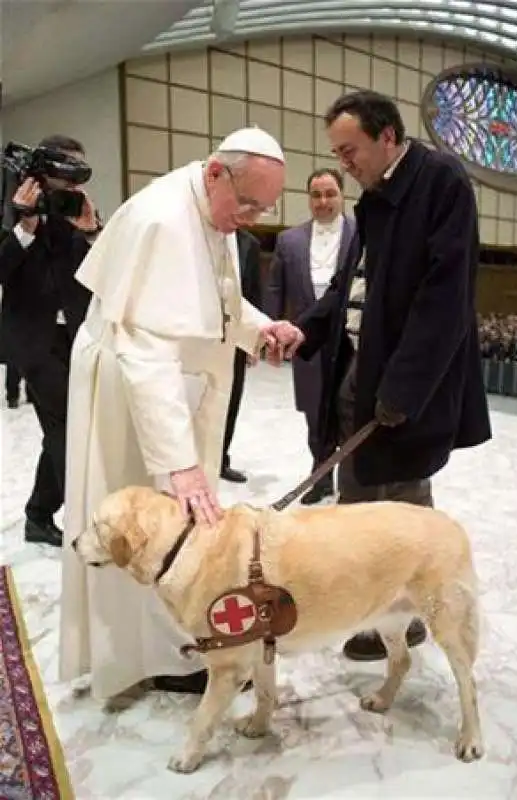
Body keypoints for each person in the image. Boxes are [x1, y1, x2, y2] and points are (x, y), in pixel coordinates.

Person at [59, 128, 303, 700]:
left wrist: (259, 328)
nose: (249, 217)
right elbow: (146, 352)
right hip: (133, 397)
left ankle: (169, 640)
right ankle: (139, 655)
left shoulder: (209, 211)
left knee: (174, 524)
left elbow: (215, 297)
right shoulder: (164, 220)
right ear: (216, 171)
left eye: (263, 209)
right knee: (142, 524)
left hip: (170, 391)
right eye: (246, 202)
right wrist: (179, 464)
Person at [279, 91, 491, 662]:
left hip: (405, 379)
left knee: (401, 502)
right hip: (361, 368)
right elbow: (352, 282)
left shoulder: (442, 183)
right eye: (337, 154)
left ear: (388, 137)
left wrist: (403, 388)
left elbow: (444, 299)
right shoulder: (374, 196)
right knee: (359, 497)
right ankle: (366, 607)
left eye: (350, 150)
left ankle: (411, 616)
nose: (343, 163)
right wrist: (311, 329)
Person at [0, 135, 97, 546]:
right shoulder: (14, 206)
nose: (72, 183)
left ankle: (38, 515)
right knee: (69, 430)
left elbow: (102, 272)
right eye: (65, 172)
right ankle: (84, 518)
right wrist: (24, 228)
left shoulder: (81, 210)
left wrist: (93, 234)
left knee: (61, 429)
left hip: (76, 337)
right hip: (33, 342)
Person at [266, 168, 357, 503]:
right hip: (306, 340)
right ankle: (321, 478)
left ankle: (350, 479)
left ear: (342, 194)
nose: (323, 201)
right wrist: (270, 331)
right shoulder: (288, 240)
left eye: (330, 193)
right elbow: (275, 289)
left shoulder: (361, 233)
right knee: (314, 415)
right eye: (316, 195)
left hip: (349, 342)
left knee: (347, 410)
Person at [220, 227, 263, 483]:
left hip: (236, 334)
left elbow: (253, 293)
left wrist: (254, 341)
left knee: (232, 399)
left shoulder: (250, 244)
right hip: (199, 337)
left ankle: (221, 459)